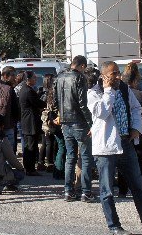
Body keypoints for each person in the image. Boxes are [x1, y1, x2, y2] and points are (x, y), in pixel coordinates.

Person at [89, 62, 142, 235]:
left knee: (138, 186)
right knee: (107, 190)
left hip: (125, 142)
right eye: (113, 74)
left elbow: (136, 108)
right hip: (106, 148)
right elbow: (102, 112)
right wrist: (109, 91)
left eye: (118, 73)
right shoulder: (94, 92)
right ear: (103, 76)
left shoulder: (124, 88)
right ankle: (115, 226)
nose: (117, 77)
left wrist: (136, 128)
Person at [53, 55, 94, 202]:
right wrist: (91, 123)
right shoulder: (79, 78)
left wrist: (60, 116)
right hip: (79, 122)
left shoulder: (59, 77)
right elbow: (82, 103)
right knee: (85, 157)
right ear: (82, 66)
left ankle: (68, 191)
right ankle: (86, 191)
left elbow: (56, 100)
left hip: (65, 121)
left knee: (70, 157)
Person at [117, 62, 142, 197]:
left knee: (123, 163)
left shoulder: (117, 94)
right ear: (135, 81)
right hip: (140, 132)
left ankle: (122, 190)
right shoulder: (140, 94)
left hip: (123, 133)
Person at [19, 71, 46, 176]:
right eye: (34, 78)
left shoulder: (26, 89)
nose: (35, 80)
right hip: (30, 121)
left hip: (28, 121)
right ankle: (30, 169)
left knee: (30, 145)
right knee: (30, 146)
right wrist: (46, 103)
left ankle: (29, 167)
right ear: (28, 79)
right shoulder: (28, 91)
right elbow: (38, 103)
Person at [38, 73, 58, 173]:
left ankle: (41, 162)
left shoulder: (42, 92)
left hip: (43, 119)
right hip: (50, 119)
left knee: (45, 142)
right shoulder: (51, 93)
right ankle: (50, 163)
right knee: (50, 142)